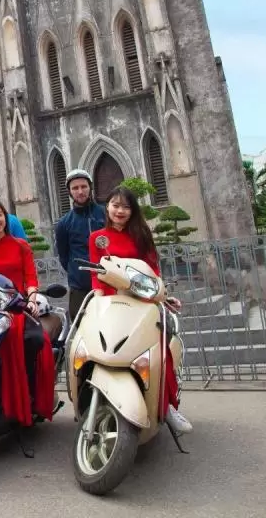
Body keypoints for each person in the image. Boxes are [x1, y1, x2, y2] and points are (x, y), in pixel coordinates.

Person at [88, 186, 192, 435]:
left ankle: (166, 406)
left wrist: (163, 298)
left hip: (142, 302)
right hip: (112, 303)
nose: (120, 210)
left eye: (125, 206)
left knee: (159, 348)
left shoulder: (141, 235)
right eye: (115, 205)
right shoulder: (97, 238)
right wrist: (99, 297)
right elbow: (97, 273)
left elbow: (153, 272)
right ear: (107, 207)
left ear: (132, 210)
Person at [0, 199, 55, 427]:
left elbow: (30, 277)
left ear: (5, 218)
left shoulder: (20, 245)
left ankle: (27, 392)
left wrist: (31, 299)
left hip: (19, 307)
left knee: (34, 339)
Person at [54, 169, 106, 321]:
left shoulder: (105, 214)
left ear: (90, 187)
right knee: (82, 327)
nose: (80, 191)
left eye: (83, 186)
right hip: (80, 287)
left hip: (109, 281)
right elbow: (64, 256)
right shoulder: (64, 224)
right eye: (75, 188)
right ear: (70, 192)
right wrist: (76, 272)